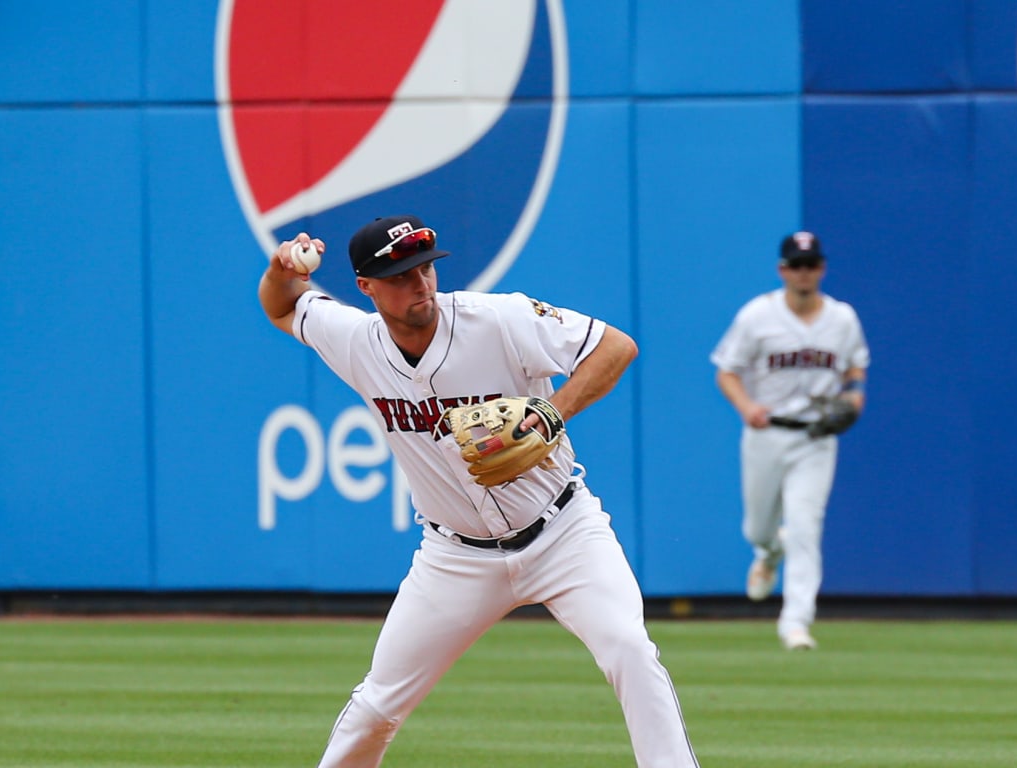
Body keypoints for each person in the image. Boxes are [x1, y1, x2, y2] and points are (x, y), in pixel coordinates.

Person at [258, 214, 700, 767]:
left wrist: (550, 413)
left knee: (630, 650)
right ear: (366, 288)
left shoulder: (499, 318)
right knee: (378, 704)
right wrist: (280, 268)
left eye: (424, 269)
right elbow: (280, 304)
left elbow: (615, 347)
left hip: (563, 531)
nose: (419, 284)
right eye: (399, 276)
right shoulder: (354, 340)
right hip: (455, 557)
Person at [710, 231, 869, 651]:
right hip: (766, 433)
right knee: (758, 528)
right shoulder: (757, 316)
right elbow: (726, 370)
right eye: (796, 265)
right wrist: (746, 406)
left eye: (811, 264)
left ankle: (795, 622)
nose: (804, 272)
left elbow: (855, 369)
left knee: (805, 525)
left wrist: (853, 398)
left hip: (816, 438)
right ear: (783, 270)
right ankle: (767, 553)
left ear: (822, 268)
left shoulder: (843, 319)